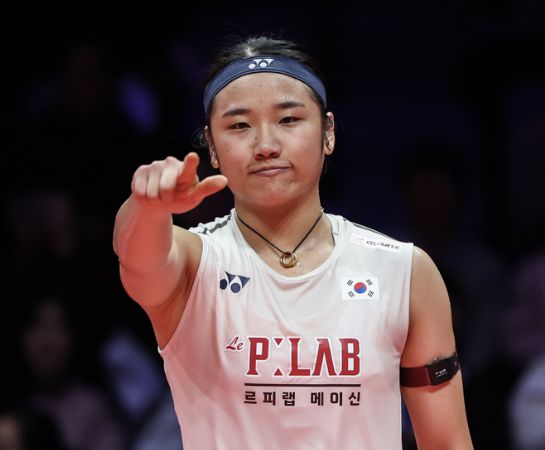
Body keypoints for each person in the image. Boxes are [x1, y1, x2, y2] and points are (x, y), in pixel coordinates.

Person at [113, 35, 473, 449]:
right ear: (212, 146)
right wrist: (146, 206)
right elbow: (136, 256)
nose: (266, 146)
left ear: (328, 133)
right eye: (239, 125)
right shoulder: (194, 264)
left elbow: (448, 443)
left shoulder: (404, 272)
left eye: (288, 120)